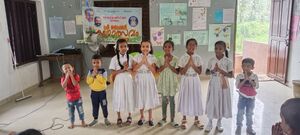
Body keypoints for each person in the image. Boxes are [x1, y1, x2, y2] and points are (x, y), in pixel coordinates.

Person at [204, 41, 233, 132]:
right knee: (212, 101)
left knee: (222, 102)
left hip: (223, 83)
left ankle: (219, 122)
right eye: (216, 48)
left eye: (220, 48)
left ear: (224, 49)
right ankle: (209, 122)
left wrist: (220, 70)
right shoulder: (211, 60)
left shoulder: (228, 61)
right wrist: (213, 70)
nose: (218, 50)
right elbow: (206, 72)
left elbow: (231, 75)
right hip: (213, 83)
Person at [177, 38, 204, 129]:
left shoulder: (198, 57)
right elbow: (181, 72)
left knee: (196, 97)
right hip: (186, 79)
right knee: (185, 97)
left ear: (196, 47)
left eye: (193, 45)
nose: (191, 46)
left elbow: (199, 72)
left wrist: (193, 65)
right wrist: (189, 63)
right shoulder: (183, 57)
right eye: (190, 44)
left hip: (195, 79)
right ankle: (184, 119)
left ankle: (197, 119)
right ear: (186, 46)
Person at [132, 40, 160, 126]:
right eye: (143, 46)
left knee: (149, 96)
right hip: (140, 78)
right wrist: (142, 61)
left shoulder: (152, 57)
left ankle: (150, 117)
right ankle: (142, 117)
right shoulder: (137, 57)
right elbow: (134, 69)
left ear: (150, 48)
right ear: (140, 48)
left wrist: (146, 62)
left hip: (149, 78)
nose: (145, 48)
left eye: (147, 46)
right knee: (141, 96)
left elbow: (154, 71)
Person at [109, 39, 135, 126]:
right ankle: (119, 117)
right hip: (119, 80)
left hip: (128, 80)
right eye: (121, 46)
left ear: (127, 47)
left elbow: (133, 71)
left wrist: (127, 69)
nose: (123, 48)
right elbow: (112, 72)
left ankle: (129, 116)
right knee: (119, 97)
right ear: (117, 48)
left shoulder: (131, 58)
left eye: (125, 46)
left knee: (129, 96)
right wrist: (122, 69)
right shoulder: (114, 59)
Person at [156, 40, 179, 128]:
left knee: (172, 101)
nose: (167, 48)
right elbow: (158, 70)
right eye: (165, 47)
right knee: (164, 101)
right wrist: (164, 64)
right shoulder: (160, 58)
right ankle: (164, 118)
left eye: (169, 47)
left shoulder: (176, 59)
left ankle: (172, 119)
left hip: (172, 82)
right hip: (163, 82)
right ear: (163, 48)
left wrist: (168, 64)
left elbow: (177, 71)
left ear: (172, 48)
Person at [235, 58, 259, 135]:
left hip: (251, 99)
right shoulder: (239, 76)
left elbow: (256, 86)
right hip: (242, 98)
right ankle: (239, 127)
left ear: (252, 68)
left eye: (248, 66)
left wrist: (249, 79)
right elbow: (238, 86)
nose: (246, 68)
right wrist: (245, 80)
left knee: (249, 113)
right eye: (244, 66)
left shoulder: (254, 76)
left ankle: (249, 128)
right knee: (240, 113)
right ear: (242, 66)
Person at [86, 54, 111, 127]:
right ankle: (95, 119)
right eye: (94, 63)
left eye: (97, 62)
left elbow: (103, 81)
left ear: (101, 62)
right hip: (94, 93)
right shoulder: (90, 72)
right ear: (92, 63)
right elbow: (88, 82)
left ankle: (106, 118)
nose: (96, 64)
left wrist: (97, 75)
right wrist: (92, 76)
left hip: (102, 93)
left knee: (104, 105)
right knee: (95, 106)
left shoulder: (104, 71)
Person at [61, 63, 86, 129]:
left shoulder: (76, 76)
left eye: (69, 67)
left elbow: (75, 84)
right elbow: (63, 86)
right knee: (71, 112)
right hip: (69, 99)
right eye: (65, 69)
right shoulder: (63, 78)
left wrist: (71, 76)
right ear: (63, 71)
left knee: (80, 110)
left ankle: (82, 121)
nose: (67, 69)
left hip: (78, 98)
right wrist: (67, 77)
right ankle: (72, 123)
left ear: (72, 68)